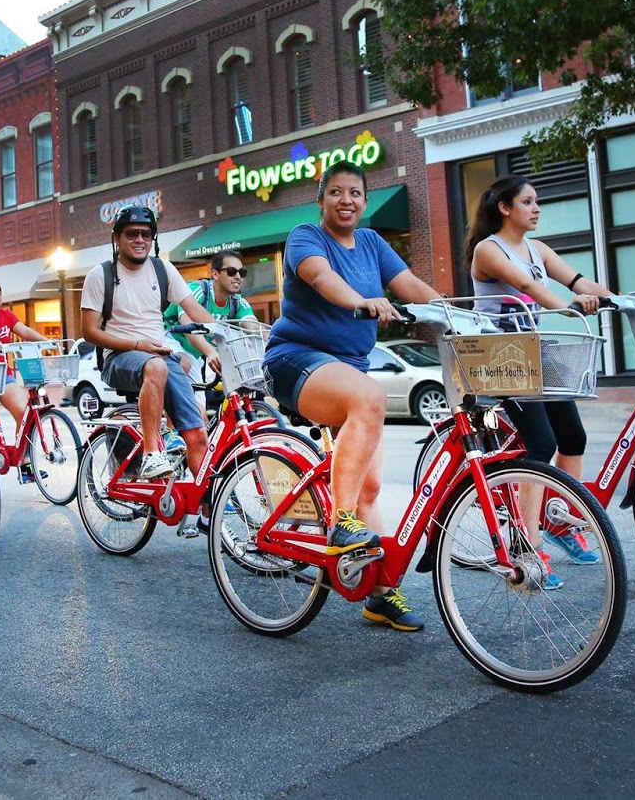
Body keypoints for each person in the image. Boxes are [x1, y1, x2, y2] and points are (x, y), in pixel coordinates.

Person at [262, 161, 442, 632]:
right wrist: (362, 301)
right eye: (336, 192)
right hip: (296, 359)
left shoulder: (373, 243)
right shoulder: (306, 237)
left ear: (365, 200)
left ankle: (380, 595)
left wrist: (450, 311)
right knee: (369, 398)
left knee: (371, 486)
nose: (347, 200)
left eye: (356, 193)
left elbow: (412, 288)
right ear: (321, 200)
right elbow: (323, 280)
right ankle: (341, 521)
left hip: (350, 370)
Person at [466, 176, 614, 584]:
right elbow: (527, 285)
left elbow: (577, 281)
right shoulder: (489, 249)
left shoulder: (538, 248)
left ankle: (559, 520)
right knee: (541, 444)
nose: (536, 208)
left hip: (536, 354)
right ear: (505, 207)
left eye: (537, 201)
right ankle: (525, 546)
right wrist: (569, 309)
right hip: (503, 359)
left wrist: (616, 299)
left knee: (573, 438)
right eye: (528, 201)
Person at [79, 205, 222, 532]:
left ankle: (206, 514)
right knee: (156, 366)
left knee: (198, 432)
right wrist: (138, 345)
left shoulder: (163, 270)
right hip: (119, 357)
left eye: (146, 234)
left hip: (159, 356)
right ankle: (152, 453)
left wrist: (230, 330)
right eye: (132, 234)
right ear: (117, 238)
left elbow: (193, 308)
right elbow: (89, 332)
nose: (140, 239)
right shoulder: (100, 275)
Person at [163, 249, 256, 424]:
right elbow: (188, 329)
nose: (238, 277)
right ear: (214, 274)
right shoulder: (196, 291)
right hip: (169, 339)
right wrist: (210, 352)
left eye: (241, 273)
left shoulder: (238, 302)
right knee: (183, 363)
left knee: (200, 422)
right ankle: (169, 432)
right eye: (231, 271)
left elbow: (254, 329)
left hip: (196, 355)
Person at [0, 277, 49, 466]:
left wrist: (46, 341)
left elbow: (25, 331)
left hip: (3, 374)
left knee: (24, 413)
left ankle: (24, 461)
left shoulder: (6, 315)